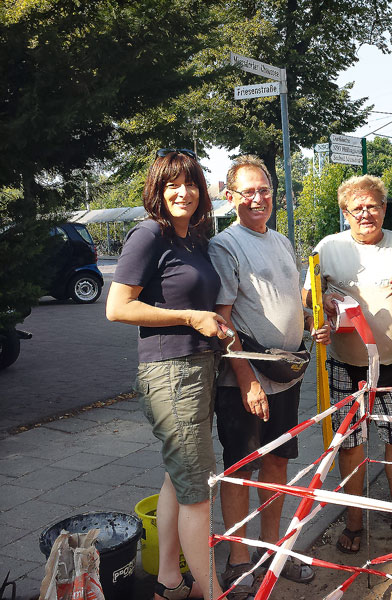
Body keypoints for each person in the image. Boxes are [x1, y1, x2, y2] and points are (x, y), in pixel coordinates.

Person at [106, 148, 228, 600]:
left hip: (199, 367)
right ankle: (210, 591)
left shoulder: (193, 239)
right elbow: (117, 307)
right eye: (172, 184)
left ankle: (171, 581)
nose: (183, 192)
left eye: (191, 182)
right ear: (157, 191)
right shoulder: (149, 234)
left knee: (180, 476)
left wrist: (213, 324)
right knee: (198, 486)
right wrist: (191, 317)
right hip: (171, 374)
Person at [208, 155, 329, 592]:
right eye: (248, 191)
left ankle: (273, 550)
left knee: (278, 462)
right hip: (247, 379)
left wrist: (312, 311)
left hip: (286, 376)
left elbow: (289, 296)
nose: (258, 198)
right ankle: (238, 561)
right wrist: (247, 381)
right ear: (230, 196)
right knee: (241, 467)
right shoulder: (226, 245)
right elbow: (223, 320)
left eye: (265, 190)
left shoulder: (279, 241)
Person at [302, 175, 392, 554]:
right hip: (346, 364)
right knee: (352, 444)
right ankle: (354, 520)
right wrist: (318, 313)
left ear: (384, 209)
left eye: (372, 205)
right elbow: (310, 297)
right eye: (356, 208)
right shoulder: (328, 247)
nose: (365, 213)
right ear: (345, 213)